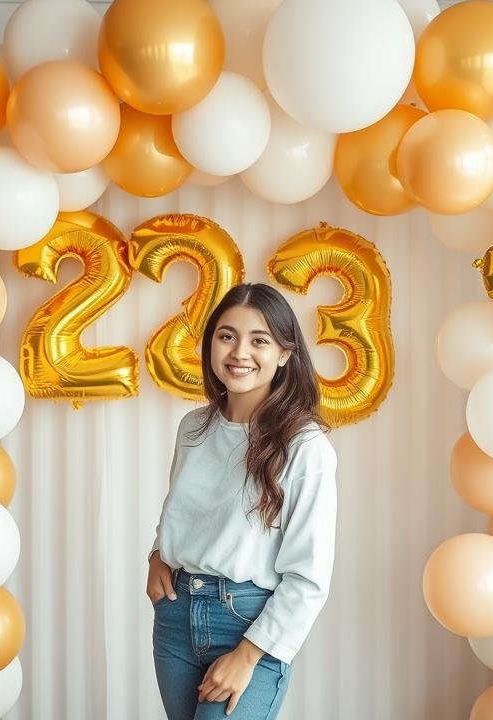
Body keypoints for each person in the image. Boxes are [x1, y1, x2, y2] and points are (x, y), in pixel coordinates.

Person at [147, 282, 338, 720]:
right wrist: (157, 554)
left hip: (248, 623)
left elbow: (309, 576)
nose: (239, 353)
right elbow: (180, 511)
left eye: (259, 340)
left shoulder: (305, 446)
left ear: (285, 354)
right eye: (227, 336)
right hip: (176, 619)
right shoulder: (193, 427)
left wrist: (249, 654)